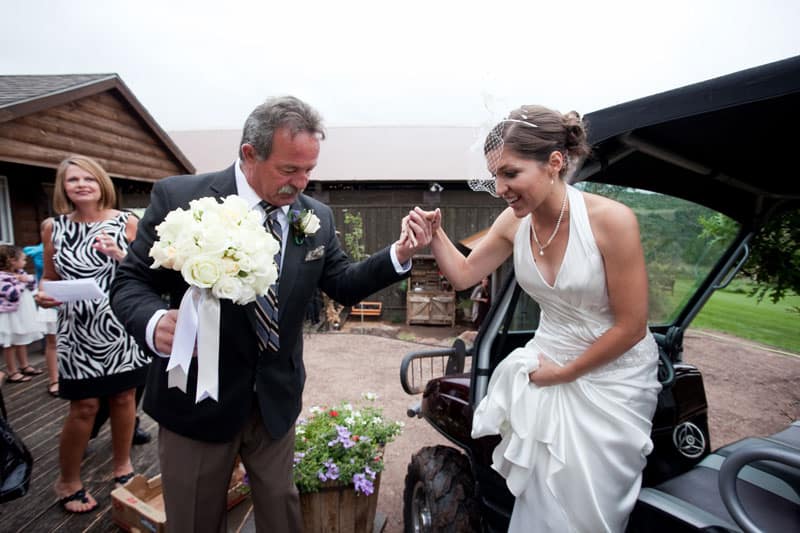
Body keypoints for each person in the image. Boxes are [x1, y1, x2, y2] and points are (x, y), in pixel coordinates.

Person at [109, 95, 432, 533]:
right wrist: (153, 322)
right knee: (194, 522)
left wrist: (399, 253)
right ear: (249, 154)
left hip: (274, 403)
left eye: (309, 171)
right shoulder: (181, 198)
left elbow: (341, 281)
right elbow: (131, 283)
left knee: (282, 516)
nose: (301, 183)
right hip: (197, 403)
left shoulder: (314, 216)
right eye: (288, 170)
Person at [409, 105, 661, 532]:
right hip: (544, 370)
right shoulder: (513, 222)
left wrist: (565, 373)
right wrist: (435, 237)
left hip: (610, 383)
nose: (500, 187)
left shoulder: (612, 222)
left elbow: (632, 326)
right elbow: (464, 275)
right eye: (495, 176)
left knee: (587, 511)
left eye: (510, 173)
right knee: (542, 499)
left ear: (554, 163)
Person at [36, 155, 149, 513]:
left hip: (120, 326)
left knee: (123, 398)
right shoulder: (53, 228)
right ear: (63, 188)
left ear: (101, 183)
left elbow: (144, 272)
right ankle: (67, 480)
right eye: (73, 180)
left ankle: (123, 466)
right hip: (77, 330)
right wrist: (42, 293)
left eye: (89, 178)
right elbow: (50, 275)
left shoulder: (126, 222)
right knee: (83, 407)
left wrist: (119, 253)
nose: (82, 185)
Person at [0, 245, 44, 383]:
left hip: (21, 313)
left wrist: (27, 280)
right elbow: (11, 294)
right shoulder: (2, 277)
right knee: (11, 343)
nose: (25, 262)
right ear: (12, 260)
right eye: (23, 259)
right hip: (10, 316)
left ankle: (24, 365)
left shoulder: (20, 272)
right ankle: (12, 371)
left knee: (22, 339)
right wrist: (20, 282)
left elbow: (32, 285)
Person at [23, 242, 59, 396]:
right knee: (52, 344)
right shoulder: (42, 252)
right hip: (52, 300)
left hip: (81, 302)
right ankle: (54, 379)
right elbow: (45, 273)